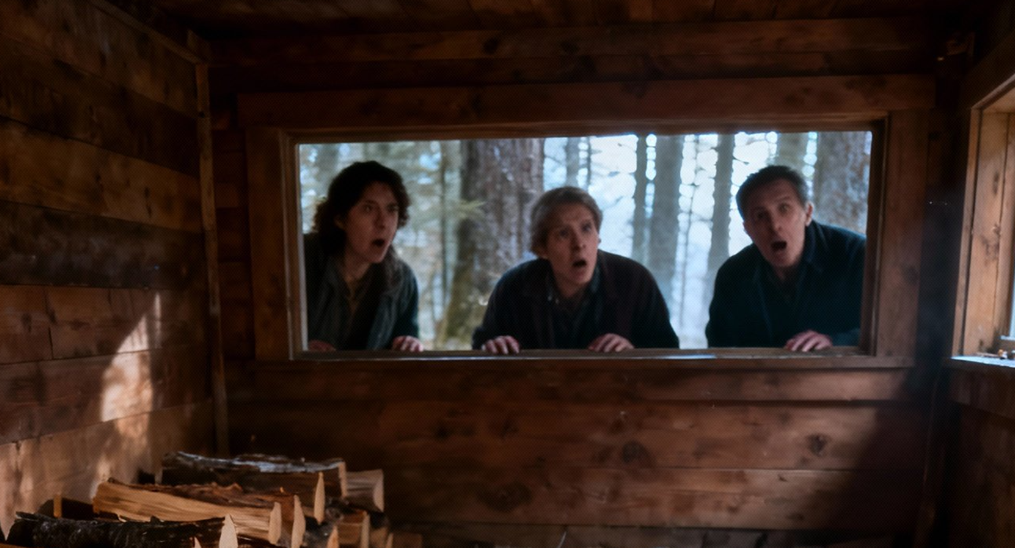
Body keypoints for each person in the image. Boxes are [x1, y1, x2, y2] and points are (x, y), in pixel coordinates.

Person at [472, 186, 678, 354]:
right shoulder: (514, 287)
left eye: (586, 228)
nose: (579, 244)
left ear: (598, 236)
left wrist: (634, 353)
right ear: (542, 248)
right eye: (563, 233)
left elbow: (668, 354)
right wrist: (493, 347)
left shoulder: (634, 281)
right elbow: (482, 351)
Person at [706, 164, 865, 351]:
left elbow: (888, 332)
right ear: (748, 229)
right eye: (760, 216)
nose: (774, 225)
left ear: (807, 213)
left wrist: (836, 342)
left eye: (784, 208)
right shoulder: (733, 276)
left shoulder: (857, 255)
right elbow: (720, 350)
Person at [304, 160, 422, 353]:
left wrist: (410, 343)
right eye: (368, 208)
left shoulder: (402, 280)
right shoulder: (301, 259)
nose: (383, 222)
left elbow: (408, 337)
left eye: (391, 209)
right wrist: (299, 347)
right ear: (340, 219)